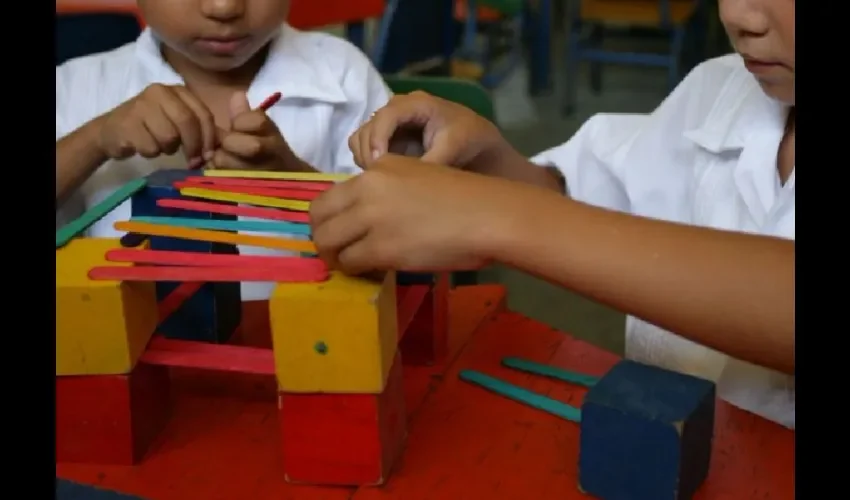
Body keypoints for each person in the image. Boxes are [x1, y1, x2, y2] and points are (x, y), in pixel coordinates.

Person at [310, 0, 795, 428]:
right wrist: (489, 167)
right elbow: (591, 216)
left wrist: (494, 215)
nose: (735, 14)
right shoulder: (717, 92)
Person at [55, 0, 390, 300]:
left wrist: (294, 181)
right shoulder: (78, 85)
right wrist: (95, 138)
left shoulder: (345, 77)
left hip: (316, 345)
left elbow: (399, 242)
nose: (224, 7)